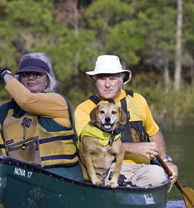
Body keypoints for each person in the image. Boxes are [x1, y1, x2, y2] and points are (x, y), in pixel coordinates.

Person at [0, 53, 82, 180]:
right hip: (21, 176)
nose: (31, 78)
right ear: (19, 79)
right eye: (25, 74)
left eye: (37, 74)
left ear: (47, 80)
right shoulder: (5, 111)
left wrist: (4, 74)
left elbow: (26, 101)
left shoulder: (58, 102)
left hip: (62, 175)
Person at [73, 55, 176, 187]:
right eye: (102, 79)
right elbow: (87, 147)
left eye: (113, 79)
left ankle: (131, 191)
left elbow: (153, 132)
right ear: (95, 81)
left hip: (141, 168)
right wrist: (132, 148)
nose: (108, 84)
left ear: (122, 80)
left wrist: (166, 160)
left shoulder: (138, 100)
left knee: (158, 175)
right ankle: (124, 190)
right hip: (105, 170)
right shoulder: (84, 109)